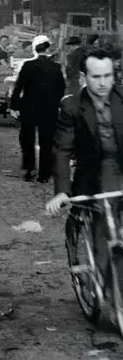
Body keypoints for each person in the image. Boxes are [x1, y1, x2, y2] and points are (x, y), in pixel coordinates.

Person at [47, 50, 123, 310]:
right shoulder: (71, 106)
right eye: (96, 77)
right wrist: (61, 191)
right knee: (103, 227)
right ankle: (101, 286)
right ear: (84, 77)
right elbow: (61, 150)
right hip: (95, 176)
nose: (103, 83)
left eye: (108, 76)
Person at [10, 34, 65, 183]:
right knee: (46, 141)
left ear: (35, 49)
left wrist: (14, 106)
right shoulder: (56, 67)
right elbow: (61, 89)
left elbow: (18, 87)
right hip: (49, 110)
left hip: (29, 108)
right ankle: (44, 174)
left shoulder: (28, 66)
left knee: (28, 139)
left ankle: (29, 169)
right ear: (47, 50)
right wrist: (56, 103)